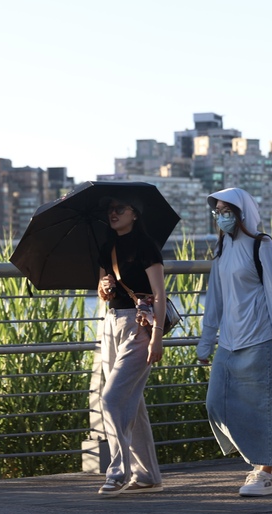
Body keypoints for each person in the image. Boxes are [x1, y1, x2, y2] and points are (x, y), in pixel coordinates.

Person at [196, 188, 272, 497]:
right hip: (228, 342)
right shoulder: (221, 248)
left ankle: (265, 472)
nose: (221, 217)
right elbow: (215, 299)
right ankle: (256, 460)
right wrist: (206, 343)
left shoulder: (260, 245)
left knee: (264, 408)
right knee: (215, 403)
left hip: (260, 338)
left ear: (242, 213)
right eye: (217, 212)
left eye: (227, 211)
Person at [95, 195, 165, 497]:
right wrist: (105, 288)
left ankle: (118, 471)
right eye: (110, 209)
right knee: (131, 401)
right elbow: (104, 294)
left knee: (111, 399)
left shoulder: (146, 246)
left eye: (119, 208)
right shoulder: (107, 248)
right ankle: (147, 475)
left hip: (140, 327)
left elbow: (159, 294)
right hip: (111, 324)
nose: (113, 213)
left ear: (134, 213)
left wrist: (157, 337)